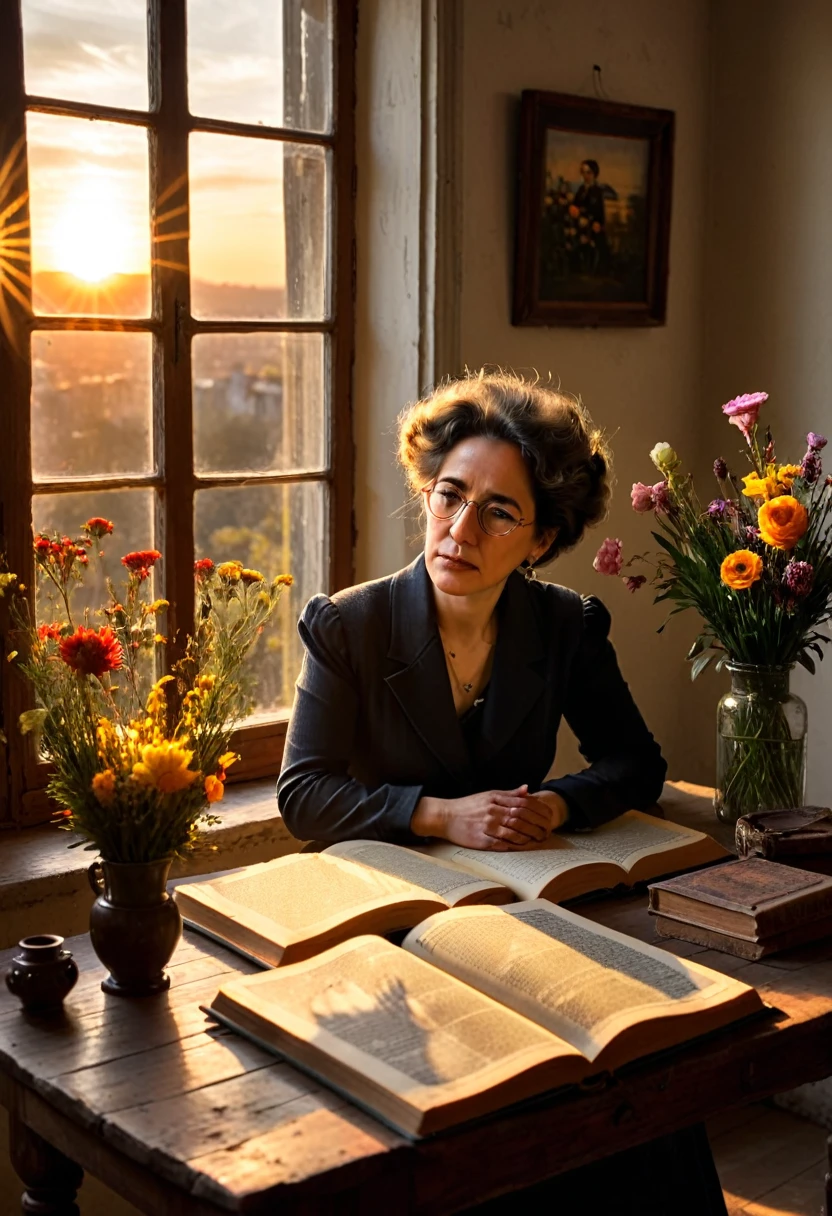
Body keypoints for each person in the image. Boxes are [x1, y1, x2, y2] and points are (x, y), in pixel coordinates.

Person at [277, 370, 727, 1215]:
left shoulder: (566, 626)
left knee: (640, 1069)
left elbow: (635, 763)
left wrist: (555, 805)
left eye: (498, 512)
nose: (459, 528)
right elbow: (303, 793)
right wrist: (441, 814)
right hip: (383, 927)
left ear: (541, 537)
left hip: (523, 912)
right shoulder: (350, 625)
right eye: (448, 495)